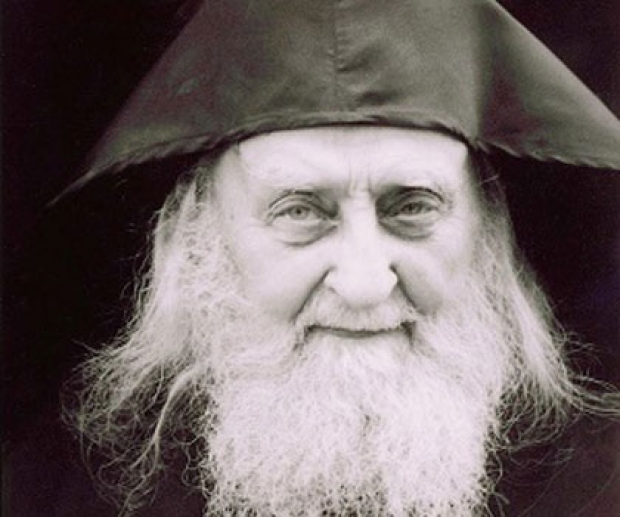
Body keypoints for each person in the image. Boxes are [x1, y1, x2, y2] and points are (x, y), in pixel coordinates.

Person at [6, 1, 620, 516]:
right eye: (300, 211)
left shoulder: (602, 481)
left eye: (412, 207)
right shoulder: (54, 489)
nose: (364, 283)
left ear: (488, 233)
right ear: (197, 239)